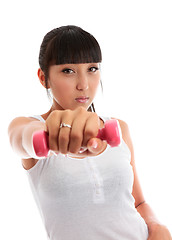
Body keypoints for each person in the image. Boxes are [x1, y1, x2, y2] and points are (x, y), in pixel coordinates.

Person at [8, 25, 171, 240]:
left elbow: (139, 202)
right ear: (43, 77)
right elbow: (24, 138)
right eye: (68, 70)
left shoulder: (119, 128)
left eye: (92, 68)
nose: (83, 84)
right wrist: (47, 134)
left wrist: (158, 228)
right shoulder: (26, 126)